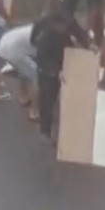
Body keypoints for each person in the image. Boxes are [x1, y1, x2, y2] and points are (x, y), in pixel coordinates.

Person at [30, 8, 92, 145]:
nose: (64, 29)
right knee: (47, 99)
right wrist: (55, 71)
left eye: (66, 27)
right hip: (48, 65)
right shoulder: (44, 35)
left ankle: (72, 129)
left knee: (71, 96)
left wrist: (89, 45)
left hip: (65, 56)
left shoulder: (67, 22)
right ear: (53, 24)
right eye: (61, 27)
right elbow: (42, 58)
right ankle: (45, 131)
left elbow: (79, 33)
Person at [0, 24, 40, 121]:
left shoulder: (40, 26)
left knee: (24, 69)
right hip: (14, 51)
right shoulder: (49, 36)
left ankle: (23, 97)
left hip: (5, 42)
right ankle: (34, 112)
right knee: (39, 78)